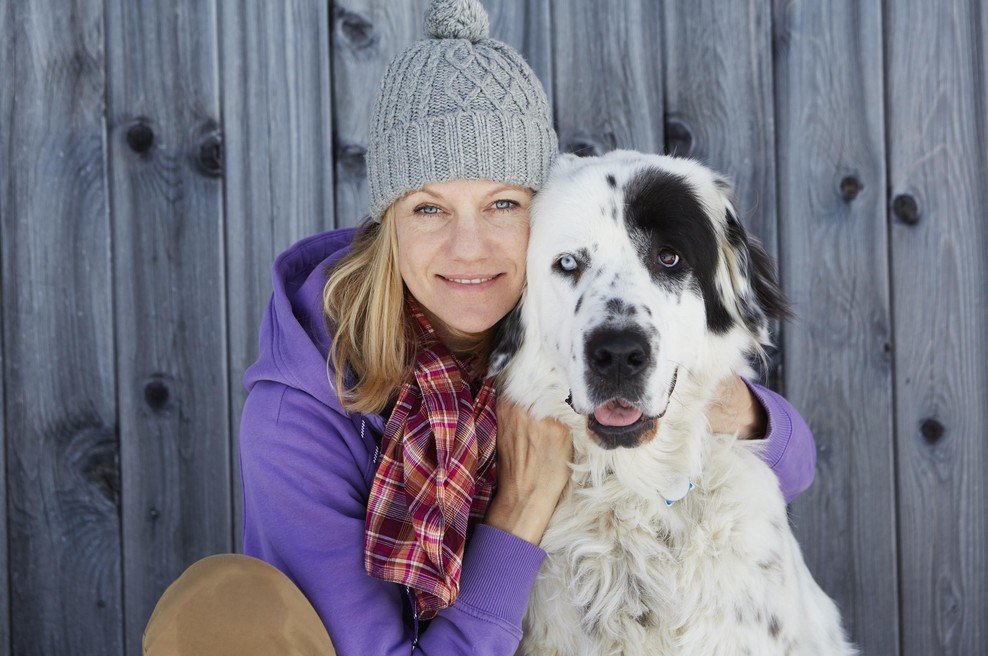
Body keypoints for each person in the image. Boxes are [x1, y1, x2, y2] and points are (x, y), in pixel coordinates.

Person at [142, 1, 816, 654]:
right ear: (389, 223)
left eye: (500, 203)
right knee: (218, 606)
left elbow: (787, 464)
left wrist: (721, 398)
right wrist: (519, 509)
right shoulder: (297, 417)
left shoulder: (546, 326)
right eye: (430, 209)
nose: (468, 249)